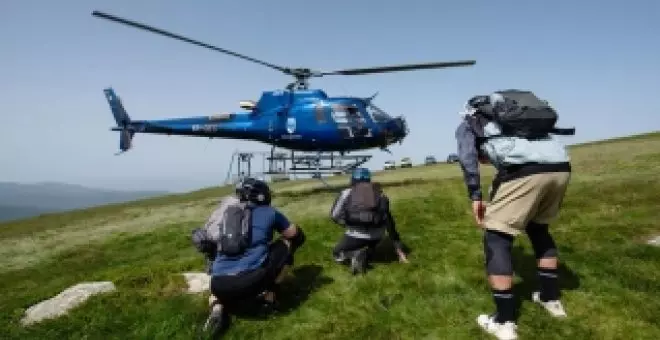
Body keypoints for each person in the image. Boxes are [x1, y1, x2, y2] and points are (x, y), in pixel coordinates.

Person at [455, 90, 575, 340]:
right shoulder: (517, 117)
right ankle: (551, 300)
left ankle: (505, 323)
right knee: (539, 230)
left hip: (524, 171)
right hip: (561, 166)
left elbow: (468, 158)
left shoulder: (470, 122)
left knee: (496, 239)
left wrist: (475, 195)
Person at [202, 177, 306, 337]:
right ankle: (269, 297)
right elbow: (294, 234)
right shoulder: (270, 212)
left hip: (218, 284)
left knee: (224, 270)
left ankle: (217, 308)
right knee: (287, 243)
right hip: (251, 281)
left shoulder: (226, 214)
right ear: (263, 195)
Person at [329, 167, 408, 275]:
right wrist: (400, 252)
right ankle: (368, 252)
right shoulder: (380, 193)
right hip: (377, 236)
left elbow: (334, 215)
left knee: (337, 253)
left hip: (355, 235)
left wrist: (346, 224)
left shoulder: (346, 193)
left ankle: (354, 254)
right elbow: (389, 222)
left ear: (352, 179)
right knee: (370, 248)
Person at [191, 181, 243, 274]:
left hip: (207, 234)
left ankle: (211, 267)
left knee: (213, 254)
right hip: (219, 238)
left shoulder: (227, 200)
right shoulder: (242, 204)